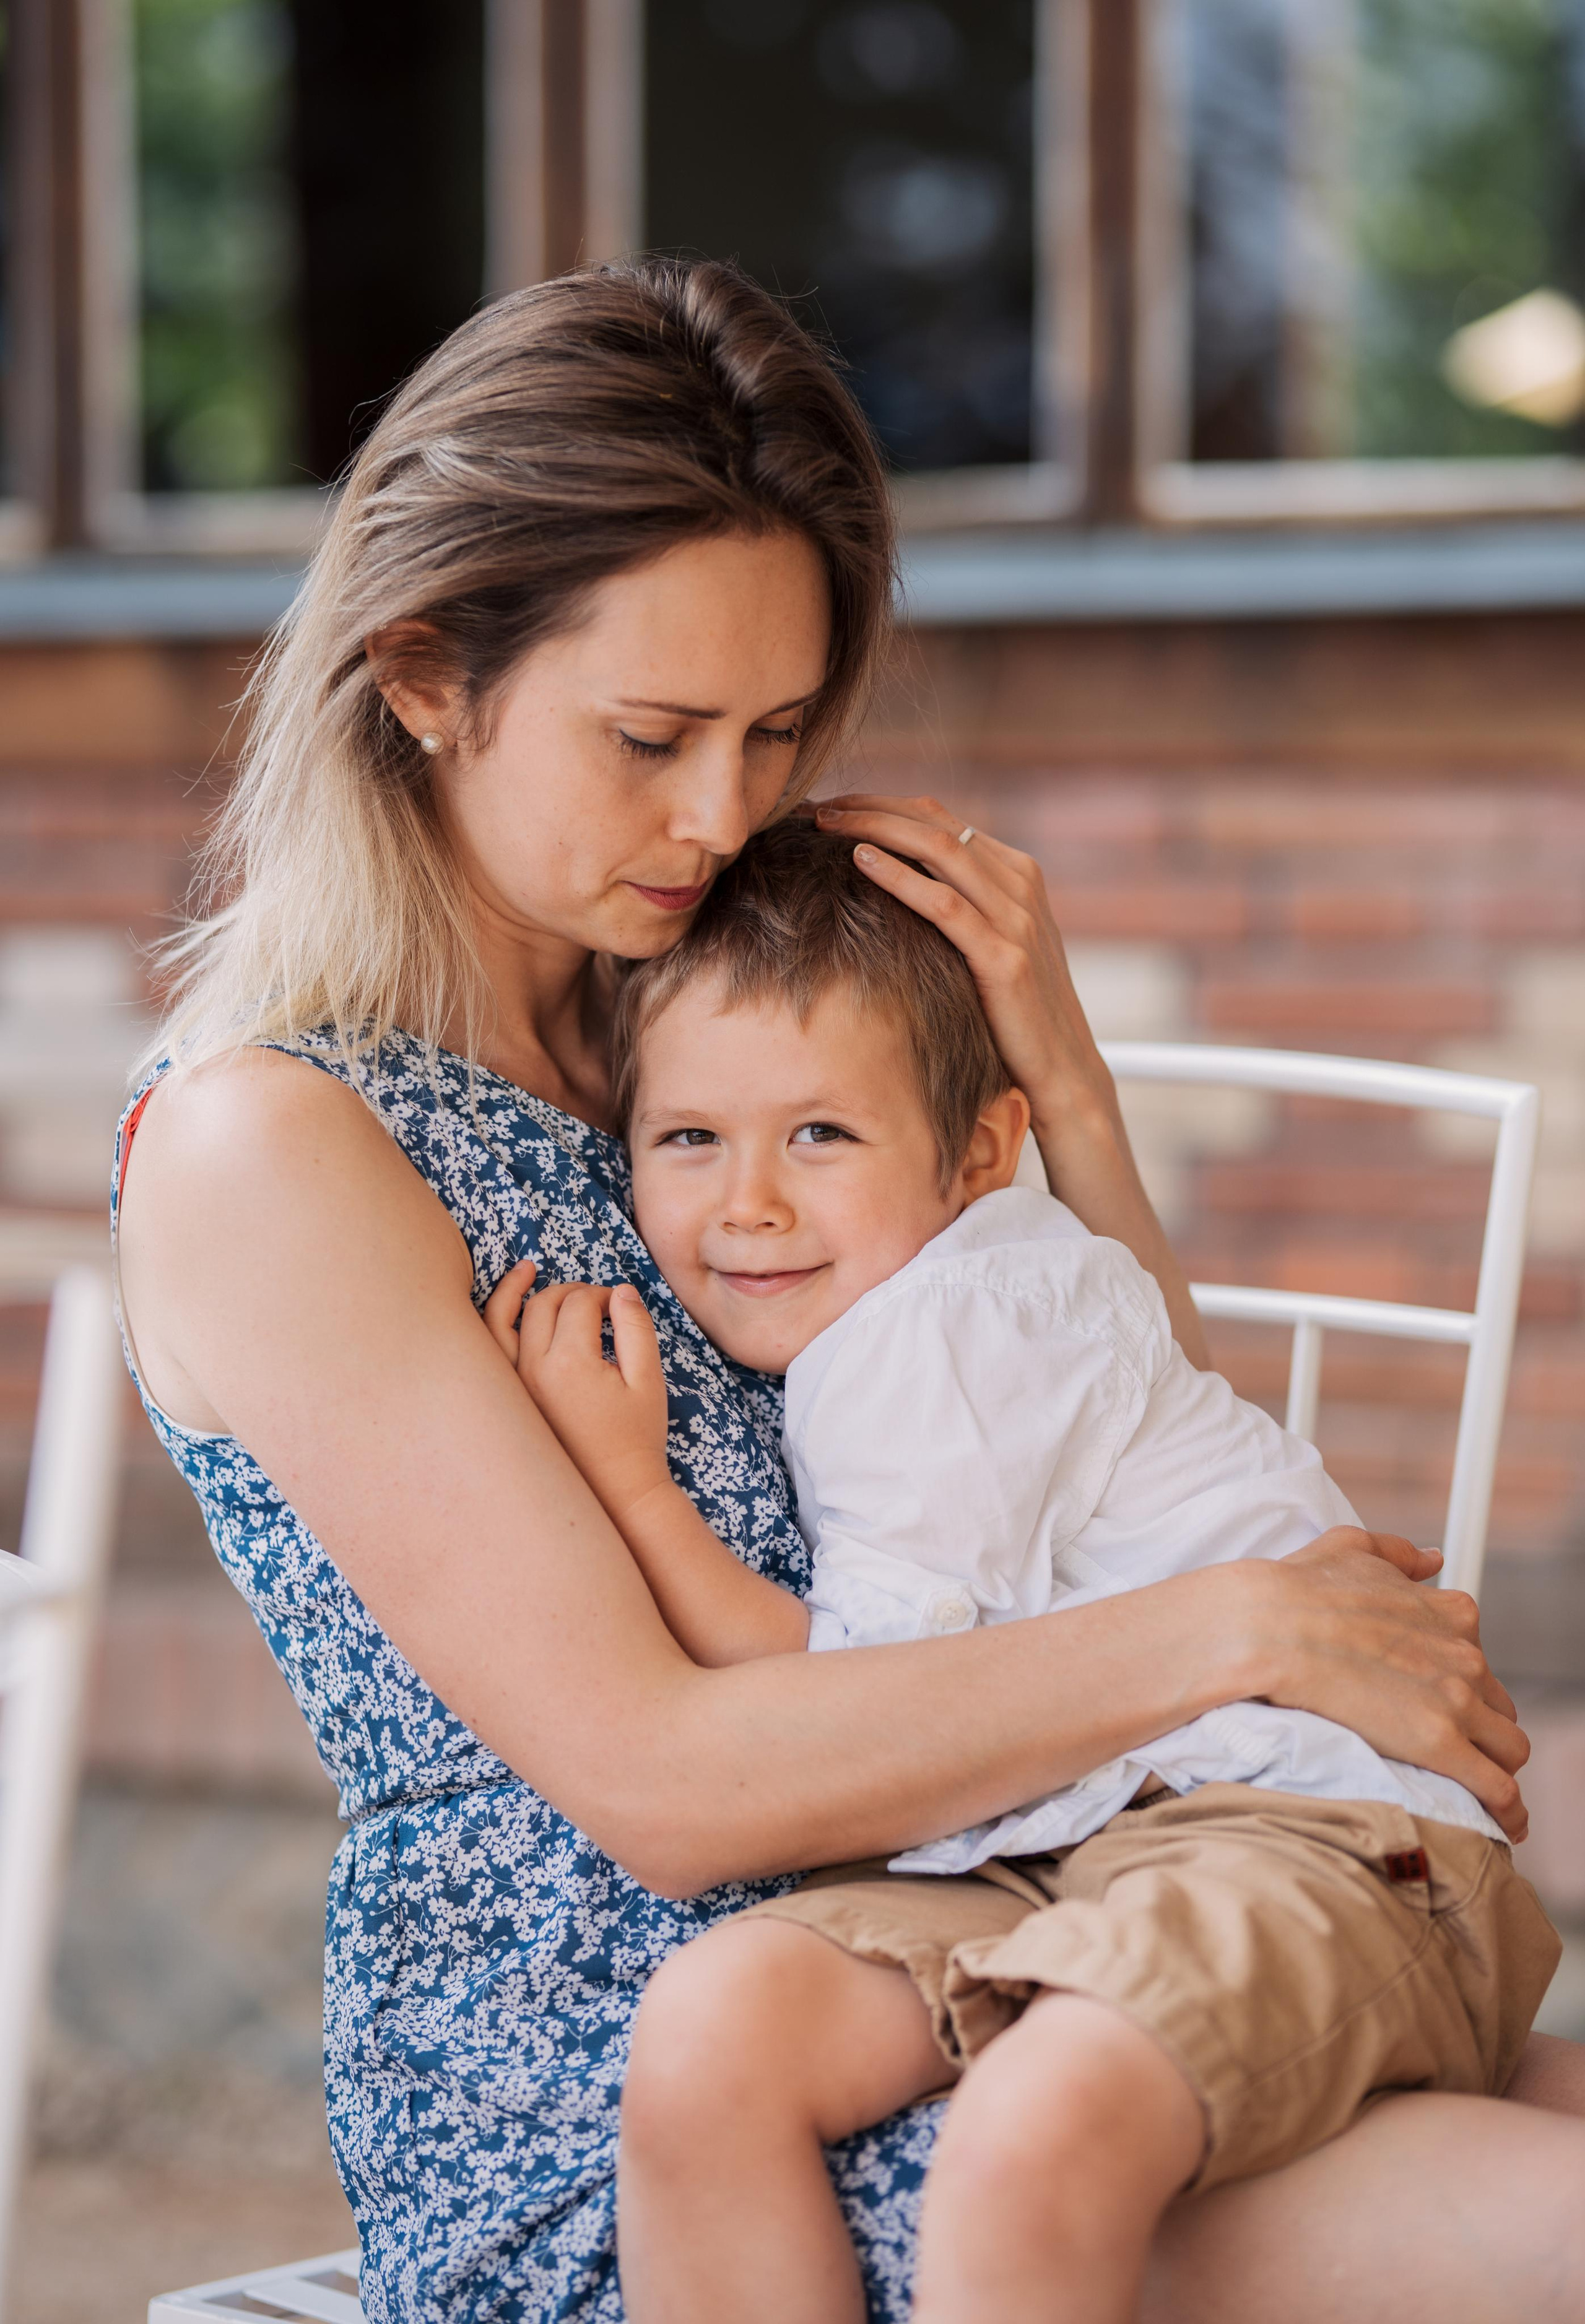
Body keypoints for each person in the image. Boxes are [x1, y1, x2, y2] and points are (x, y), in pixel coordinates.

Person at [111, 257, 1585, 2324]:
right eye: (654, 736)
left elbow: (1090, 1419)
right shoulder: (275, 1144)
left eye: (781, 731)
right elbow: (666, 1780)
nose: (724, 814)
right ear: (428, 674)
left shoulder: (703, 1012)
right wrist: (1248, 1627)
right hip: (654, 2083)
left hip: (1022, 1912)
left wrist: (1052, 1084)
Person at [477, 818, 1558, 2323]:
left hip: (1292, 1823)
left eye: (820, 1134)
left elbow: (849, 1706)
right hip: (1059, 1835)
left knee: (1035, 2116)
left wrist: (629, 1488)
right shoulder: (941, 1284)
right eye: (688, 1138)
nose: (750, 1204)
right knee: (719, 2026)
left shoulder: (934, 1333)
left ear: (978, 1151)